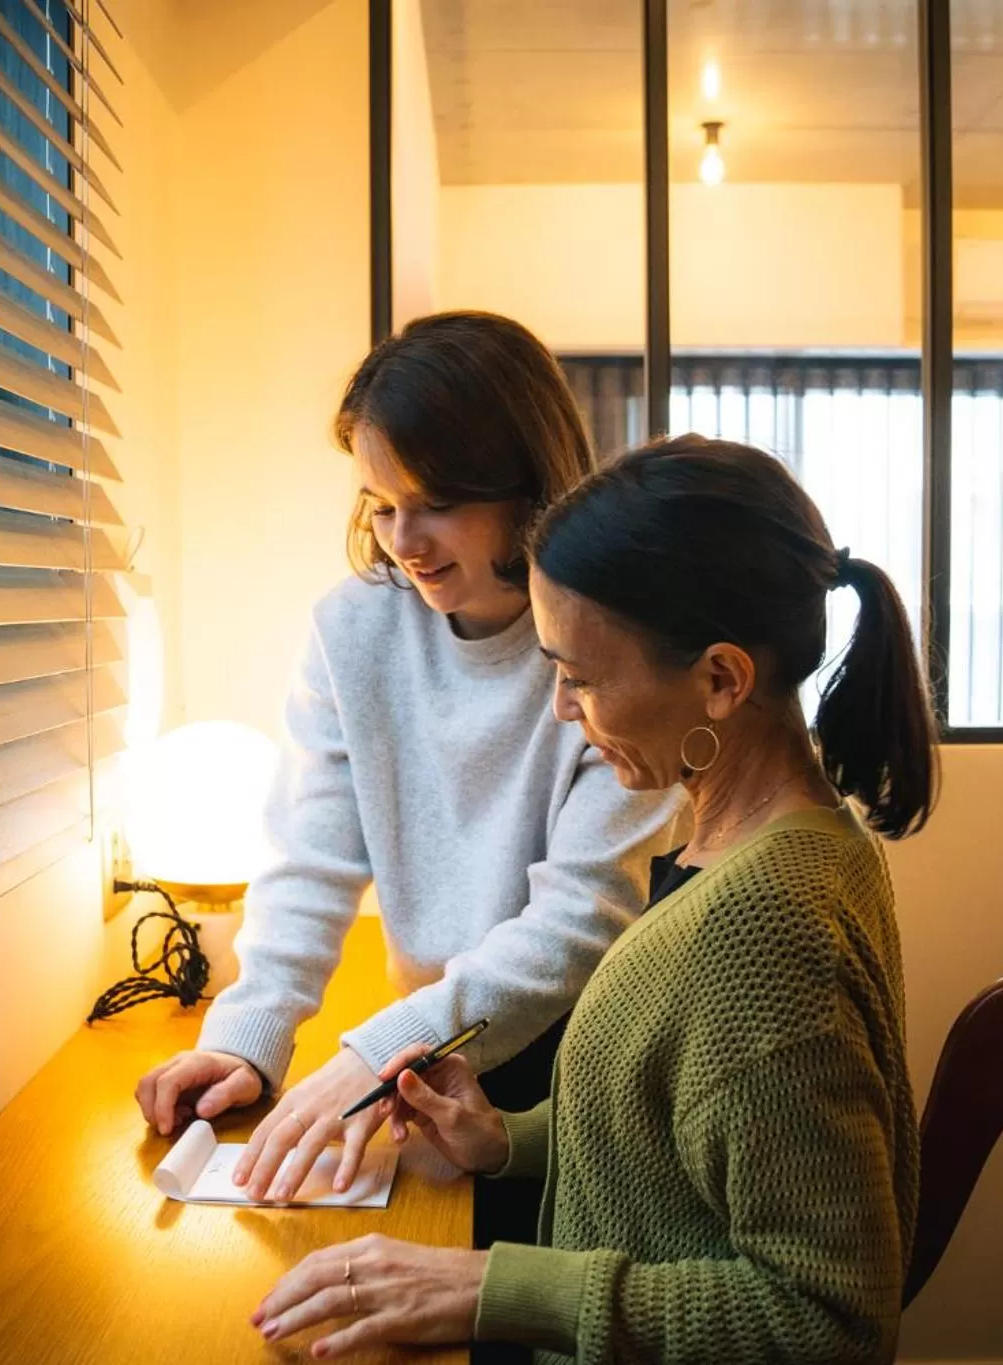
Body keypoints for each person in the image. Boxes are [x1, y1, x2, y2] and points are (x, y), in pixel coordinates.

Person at [250, 435, 939, 1363]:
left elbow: (828, 1323)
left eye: (578, 678)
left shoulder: (761, 925)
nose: (564, 713)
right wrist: (507, 1140)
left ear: (721, 678)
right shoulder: (763, 841)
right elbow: (684, 1142)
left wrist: (495, 1285)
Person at [134, 312, 682, 1226]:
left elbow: (581, 917)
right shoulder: (352, 628)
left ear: (523, 483)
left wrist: (380, 1048)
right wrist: (247, 1037)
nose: (404, 539)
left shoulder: (608, 639)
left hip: (582, 1061)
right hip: (423, 1048)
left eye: (432, 502)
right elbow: (311, 853)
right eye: (379, 505)